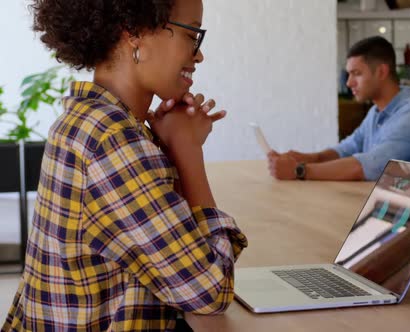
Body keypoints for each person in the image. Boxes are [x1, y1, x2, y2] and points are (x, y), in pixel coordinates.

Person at [2, 0, 247, 331]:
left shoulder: (86, 120)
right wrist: (187, 151)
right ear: (135, 32)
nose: (198, 54)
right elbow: (210, 291)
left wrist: (168, 148)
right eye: (192, 35)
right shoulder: (112, 140)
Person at [267, 36, 410, 181]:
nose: (349, 83)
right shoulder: (376, 113)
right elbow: (346, 149)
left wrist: (299, 170)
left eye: (356, 74)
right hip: (390, 207)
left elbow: (366, 166)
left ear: (381, 72)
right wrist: (312, 158)